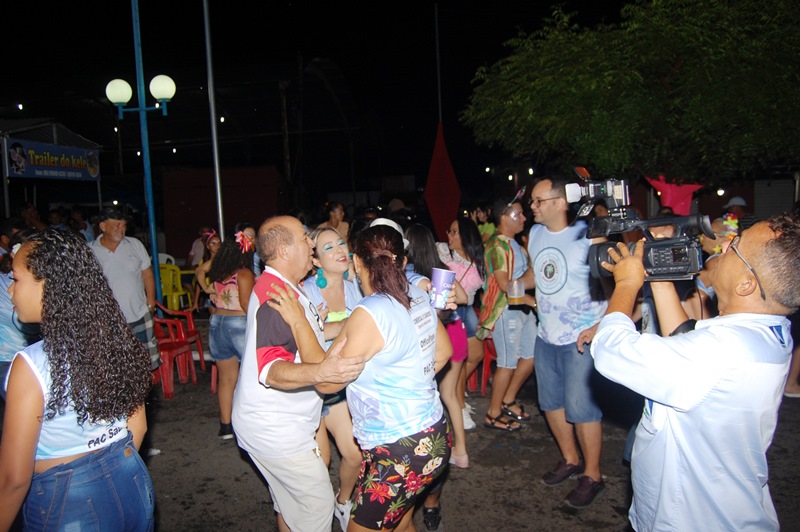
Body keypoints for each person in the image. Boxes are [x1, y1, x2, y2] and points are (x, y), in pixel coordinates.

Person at [591, 214, 800, 531]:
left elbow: (609, 349)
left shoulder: (719, 354)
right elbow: (685, 338)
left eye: (735, 247)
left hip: (689, 519)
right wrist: (656, 274)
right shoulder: (764, 332)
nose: (724, 244)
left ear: (747, 283)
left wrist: (628, 284)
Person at [266, 223, 453, 532]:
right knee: (401, 523)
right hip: (433, 434)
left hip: (400, 449)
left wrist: (300, 322)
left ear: (357, 263)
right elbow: (443, 352)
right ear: (400, 261)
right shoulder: (416, 298)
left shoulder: (368, 313)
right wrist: (407, 381)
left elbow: (326, 380)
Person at [0, 228, 154, 530]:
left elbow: (14, 480)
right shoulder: (117, 342)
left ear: (49, 286)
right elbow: (139, 426)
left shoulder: (31, 365)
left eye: (16, 280)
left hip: (66, 499)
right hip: (131, 480)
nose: (9, 291)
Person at [231, 215, 366, 532]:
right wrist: (322, 371)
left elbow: (309, 335)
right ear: (284, 250)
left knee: (292, 510)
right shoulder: (277, 299)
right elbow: (272, 370)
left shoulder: (284, 287)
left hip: (277, 425)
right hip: (278, 431)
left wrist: (358, 323)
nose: (310, 243)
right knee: (317, 508)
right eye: (305, 238)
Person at [527, 177, 609, 508]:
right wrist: (520, 283)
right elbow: (541, 271)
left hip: (581, 336)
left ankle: (593, 475)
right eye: (532, 201)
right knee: (551, 404)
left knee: (583, 409)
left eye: (538, 201)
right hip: (546, 333)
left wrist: (601, 326)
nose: (532, 206)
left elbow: (617, 285)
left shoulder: (589, 237)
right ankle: (570, 459)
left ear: (561, 203)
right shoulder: (534, 234)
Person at [302, 226, 363, 529]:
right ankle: (316, 514)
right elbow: (305, 339)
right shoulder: (308, 291)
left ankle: (343, 500)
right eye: (328, 247)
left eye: (340, 243)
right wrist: (344, 326)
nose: (339, 250)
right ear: (315, 260)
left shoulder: (355, 288)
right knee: (320, 462)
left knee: (354, 455)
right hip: (310, 389)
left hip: (340, 387)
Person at [477, 198, 536, 433]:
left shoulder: (515, 245)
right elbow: (504, 284)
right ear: (504, 216)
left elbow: (526, 278)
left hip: (521, 308)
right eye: (518, 214)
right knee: (507, 362)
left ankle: (508, 400)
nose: (523, 218)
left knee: (530, 357)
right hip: (505, 310)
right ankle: (492, 413)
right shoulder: (497, 246)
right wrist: (531, 300)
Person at [199, 228, 255, 440]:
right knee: (251, 375)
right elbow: (246, 304)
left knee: (226, 378)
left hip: (217, 323)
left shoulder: (219, 272)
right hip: (238, 322)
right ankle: (250, 424)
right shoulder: (244, 273)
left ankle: (225, 427)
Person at [90, 207, 160, 370]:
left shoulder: (134, 245)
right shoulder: (90, 250)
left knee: (144, 363)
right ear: (103, 226)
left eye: (123, 224)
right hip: (107, 319)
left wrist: (150, 305)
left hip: (139, 314)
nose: (121, 228)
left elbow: (147, 274)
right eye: (117, 224)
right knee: (114, 366)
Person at [438, 216, 486, 432]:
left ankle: (454, 388)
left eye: (454, 232)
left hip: (469, 311)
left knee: (476, 356)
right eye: (449, 231)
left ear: (466, 235)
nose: (449, 235)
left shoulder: (480, 261)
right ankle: (459, 404)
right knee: (457, 360)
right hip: (451, 312)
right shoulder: (442, 253)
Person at [0, 229, 39, 396]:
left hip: (39, 358)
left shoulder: (42, 280)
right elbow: (23, 323)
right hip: (8, 358)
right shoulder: (6, 283)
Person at [191, 230, 222, 313]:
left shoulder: (224, 260)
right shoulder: (205, 262)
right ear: (208, 246)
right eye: (213, 243)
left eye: (219, 243)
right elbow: (199, 280)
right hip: (212, 294)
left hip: (224, 294)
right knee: (216, 321)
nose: (217, 245)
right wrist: (205, 289)